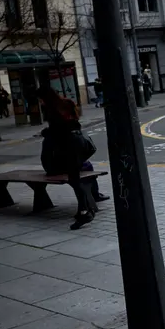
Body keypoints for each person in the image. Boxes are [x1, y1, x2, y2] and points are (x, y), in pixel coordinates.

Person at [37, 85, 108, 230]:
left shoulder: (51, 110)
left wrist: (46, 132)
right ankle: (83, 210)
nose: (41, 103)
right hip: (78, 143)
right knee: (74, 178)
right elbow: (75, 122)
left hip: (68, 146)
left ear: (45, 98)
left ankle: (85, 211)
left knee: (74, 179)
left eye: (41, 99)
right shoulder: (67, 103)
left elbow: (57, 131)